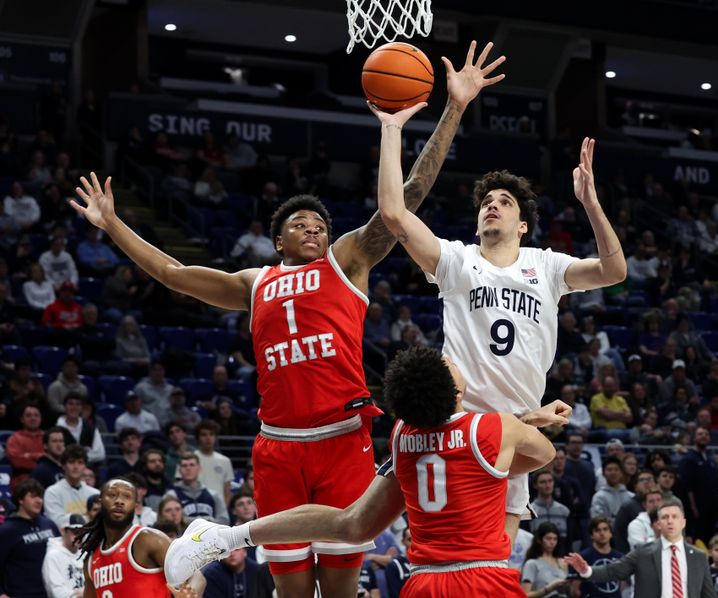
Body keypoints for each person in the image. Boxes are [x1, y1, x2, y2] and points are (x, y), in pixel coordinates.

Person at [70, 41, 505, 598]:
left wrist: (453, 108)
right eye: (301, 223)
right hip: (278, 446)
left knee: (343, 589)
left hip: (343, 438)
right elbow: (175, 273)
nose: (314, 229)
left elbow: (411, 194)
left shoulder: (347, 260)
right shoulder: (256, 283)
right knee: (294, 592)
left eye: (320, 223)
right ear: (278, 240)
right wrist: (114, 227)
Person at [371, 67, 626, 544]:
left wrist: (591, 203)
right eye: (486, 200)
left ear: (523, 223)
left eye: (505, 201)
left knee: (493, 558)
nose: (492, 205)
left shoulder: (546, 266)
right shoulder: (456, 260)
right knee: (426, 541)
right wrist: (392, 127)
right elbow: (393, 214)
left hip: (514, 434)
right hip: (452, 423)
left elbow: (613, 272)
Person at [163, 347, 567, 596]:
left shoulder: (402, 435)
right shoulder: (495, 427)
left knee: (351, 523)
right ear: (455, 391)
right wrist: (525, 422)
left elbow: (360, 523)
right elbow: (542, 455)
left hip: (424, 581)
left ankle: (228, 535)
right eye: (449, 364)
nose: (454, 362)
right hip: (480, 580)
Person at [76, 478, 204, 598]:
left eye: (127, 497)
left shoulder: (148, 540)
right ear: (101, 501)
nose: (119, 501)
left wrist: (190, 595)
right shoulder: (92, 560)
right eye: (112, 495)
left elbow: (197, 576)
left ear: (135, 505)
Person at [566, 498, 716, 598]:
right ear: (658, 524)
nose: (670, 521)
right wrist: (587, 570)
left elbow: (709, 594)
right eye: (664, 517)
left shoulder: (698, 556)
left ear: (683, 522)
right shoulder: (642, 552)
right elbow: (613, 571)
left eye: (674, 517)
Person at [0, 479, 61, 598]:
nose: (39, 501)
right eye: (33, 497)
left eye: (40, 497)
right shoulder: (7, 530)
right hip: (21, 593)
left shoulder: (49, 524)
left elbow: (62, 555)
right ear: (20, 500)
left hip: (51, 592)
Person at [43, 444, 98, 529]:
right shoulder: (52, 492)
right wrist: (88, 517)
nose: (76, 467)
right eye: (71, 462)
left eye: (80, 462)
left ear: (85, 466)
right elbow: (58, 523)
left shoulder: (95, 493)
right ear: (63, 465)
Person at [164, 453, 228, 524]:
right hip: (182, 534)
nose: (188, 468)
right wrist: (206, 521)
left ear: (199, 468)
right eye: (184, 465)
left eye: (192, 465)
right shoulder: (171, 496)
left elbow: (225, 520)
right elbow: (167, 520)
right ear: (180, 470)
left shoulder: (213, 495)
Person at [570, 516, 625, 598]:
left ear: (611, 533)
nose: (602, 533)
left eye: (605, 529)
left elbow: (620, 585)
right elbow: (574, 591)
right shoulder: (583, 557)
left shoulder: (620, 557)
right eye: (597, 530)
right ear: (591, 535)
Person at [42, 513, 86, 598]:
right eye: (75, 532)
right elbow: (58, 594)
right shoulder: (53, 556)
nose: (80, 536)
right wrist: (85, 593)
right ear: (63, 531)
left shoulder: (85, 553)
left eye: (82, 532)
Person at [521, 522, 569, 597]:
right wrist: (548, 589)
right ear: (539, 540)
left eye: (555, 539)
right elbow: (525, 595)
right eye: (548, 538)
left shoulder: (562, 562)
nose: (552, 542)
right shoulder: (532, 564)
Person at [57, 392, 105, 465]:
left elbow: (100, 454)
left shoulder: (90, 428)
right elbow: (57, 454)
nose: (74, 407)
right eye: (70, 404)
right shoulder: (56, 429)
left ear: (81, 408)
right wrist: (84, 454)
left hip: (87, 471)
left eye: (78, 404)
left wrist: (74, 459)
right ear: (64, 407)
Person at [193, 420, 234, 506]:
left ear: (216, 437)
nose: (208, 438)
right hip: (196, 506)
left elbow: (227, 491)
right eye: (204, 434)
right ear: (198, 438)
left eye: (211, 434)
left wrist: (224, 509)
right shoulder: (190, 459)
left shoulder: (225, 461)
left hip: (219, 508)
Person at [529, 469, 570, 550]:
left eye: (550, 481)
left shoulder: (564, 511)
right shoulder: (530, 512)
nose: (547, 485)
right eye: (543, 482)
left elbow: (568, 540)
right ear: (535, 485)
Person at [590, 457, 634, 526]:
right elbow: (597, 520)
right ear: (603, 474)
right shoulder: (598, 497)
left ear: (621, 473)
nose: (613, 473)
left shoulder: (631, 496)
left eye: (616, 470)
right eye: (609, 470)